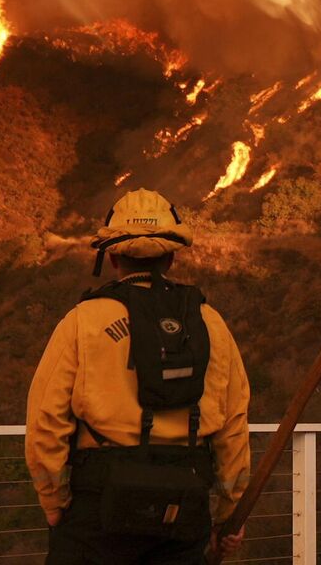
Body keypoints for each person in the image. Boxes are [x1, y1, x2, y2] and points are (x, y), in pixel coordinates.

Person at [26, 189, 251, 564]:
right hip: (184, 507)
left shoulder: (83, 322)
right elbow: (234, 426)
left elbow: (45, 422)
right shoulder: (210, 324)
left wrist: (54, 502)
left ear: (113, 257)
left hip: (97, 511)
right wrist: (228, 514)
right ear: (172, 256)